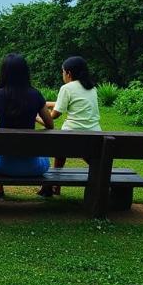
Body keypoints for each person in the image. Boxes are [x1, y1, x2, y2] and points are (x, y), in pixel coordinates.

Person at [0, 53, 54, 197]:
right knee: (44, 157)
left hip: (1, 166)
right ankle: (46, 187)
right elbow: (50, 124)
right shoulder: (36, 95)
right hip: (34, 167)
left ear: (3, 72)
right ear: (25, 72)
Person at [41, 55, 101, 196]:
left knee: (60, 147)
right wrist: (44, 103)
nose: (62, 75)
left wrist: (36, 115)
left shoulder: (66, 88)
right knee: (87, 154)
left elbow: (54, 116)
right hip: (94, 134)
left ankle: (55, 184)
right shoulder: (92, 88)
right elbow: (69, 103)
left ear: (68, 73)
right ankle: (55, 185)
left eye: (62, 72)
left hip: (72, 135)